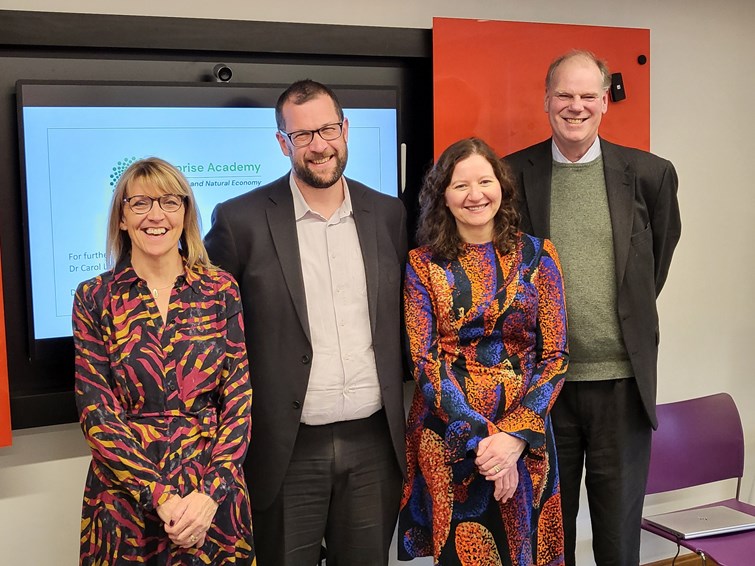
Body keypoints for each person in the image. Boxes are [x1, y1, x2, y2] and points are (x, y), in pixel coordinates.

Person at [204, 79, 408, 566]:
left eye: (328, 129)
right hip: (286, 447)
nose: (319, 145)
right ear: (282, 143)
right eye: (302, 136)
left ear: (345, 129)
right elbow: (208, 332)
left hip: (373, 443)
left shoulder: (387, 214)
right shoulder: (240, 221)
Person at [504, 50, 682, 566]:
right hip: (544, 388)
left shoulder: (650, 174)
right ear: (546, 100)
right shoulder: (512, 175)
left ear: (606, 102)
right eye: (564, 94)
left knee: (617, 540)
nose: (575, 106)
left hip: (622, 390)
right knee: (546, 538)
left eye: (587, 96)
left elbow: (654, 266)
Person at [72, 157, 254, 565]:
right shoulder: (94, 298)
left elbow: (238, 402)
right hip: (125, 501)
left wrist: (208, 496)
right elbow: (96, 411)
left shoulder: (220, 289)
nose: (156, 216)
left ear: (185, 213)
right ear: (122, 218)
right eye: (140, 204)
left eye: (170, 202)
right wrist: (162, 498)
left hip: (212, 499)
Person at [398, 137, 569, 565]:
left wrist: (513, 438)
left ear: (502, 188)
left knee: (527, 550)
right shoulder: (422, 264)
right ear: (443, 196)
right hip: (450, 432)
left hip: (526, 433)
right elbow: (424, 361)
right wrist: (486, 441)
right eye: (460, 185)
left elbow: (556, 356)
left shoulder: (539, 256)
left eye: (485, 181)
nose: (475, 195)